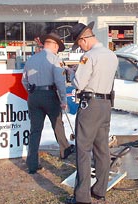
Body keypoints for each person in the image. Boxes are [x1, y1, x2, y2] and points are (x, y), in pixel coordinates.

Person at [65, 22, 118, 204]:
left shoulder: (88, 57)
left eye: (79, 44)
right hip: (106, 105)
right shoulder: (112, 56)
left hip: (90, 106)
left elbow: (79, 83)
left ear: (84, 39)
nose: (80, 47)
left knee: (83, 150)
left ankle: (82, 197)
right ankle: (100, 190)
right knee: (102, 149)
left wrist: (72, 73)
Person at [22, 32, 74, 174]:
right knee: (57, 124)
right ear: (54, 45)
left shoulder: (31, 60)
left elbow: (24, 80)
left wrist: (31, 92)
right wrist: (63, 100)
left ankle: (32, 163)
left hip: (34, 96)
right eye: (58, 47)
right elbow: (60, 82)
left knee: (35, 130)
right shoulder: (54, 60)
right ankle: (64, 151)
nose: (58, 50)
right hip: (50, 95)